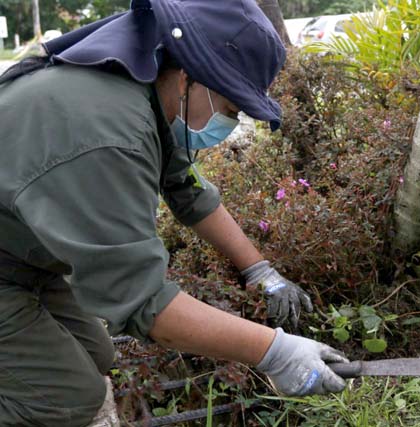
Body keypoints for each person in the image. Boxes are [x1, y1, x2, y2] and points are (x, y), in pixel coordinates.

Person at [0, 1, 348, 425]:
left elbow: (187, 190)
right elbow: (146, 305)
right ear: (188, 78)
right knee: (69, 400)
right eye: (231, 109)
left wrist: (261, 271)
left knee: (97, 354)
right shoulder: (107, 134)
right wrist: (274, 352)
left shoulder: (141, 90)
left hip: (20, 257)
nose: (230, 124)